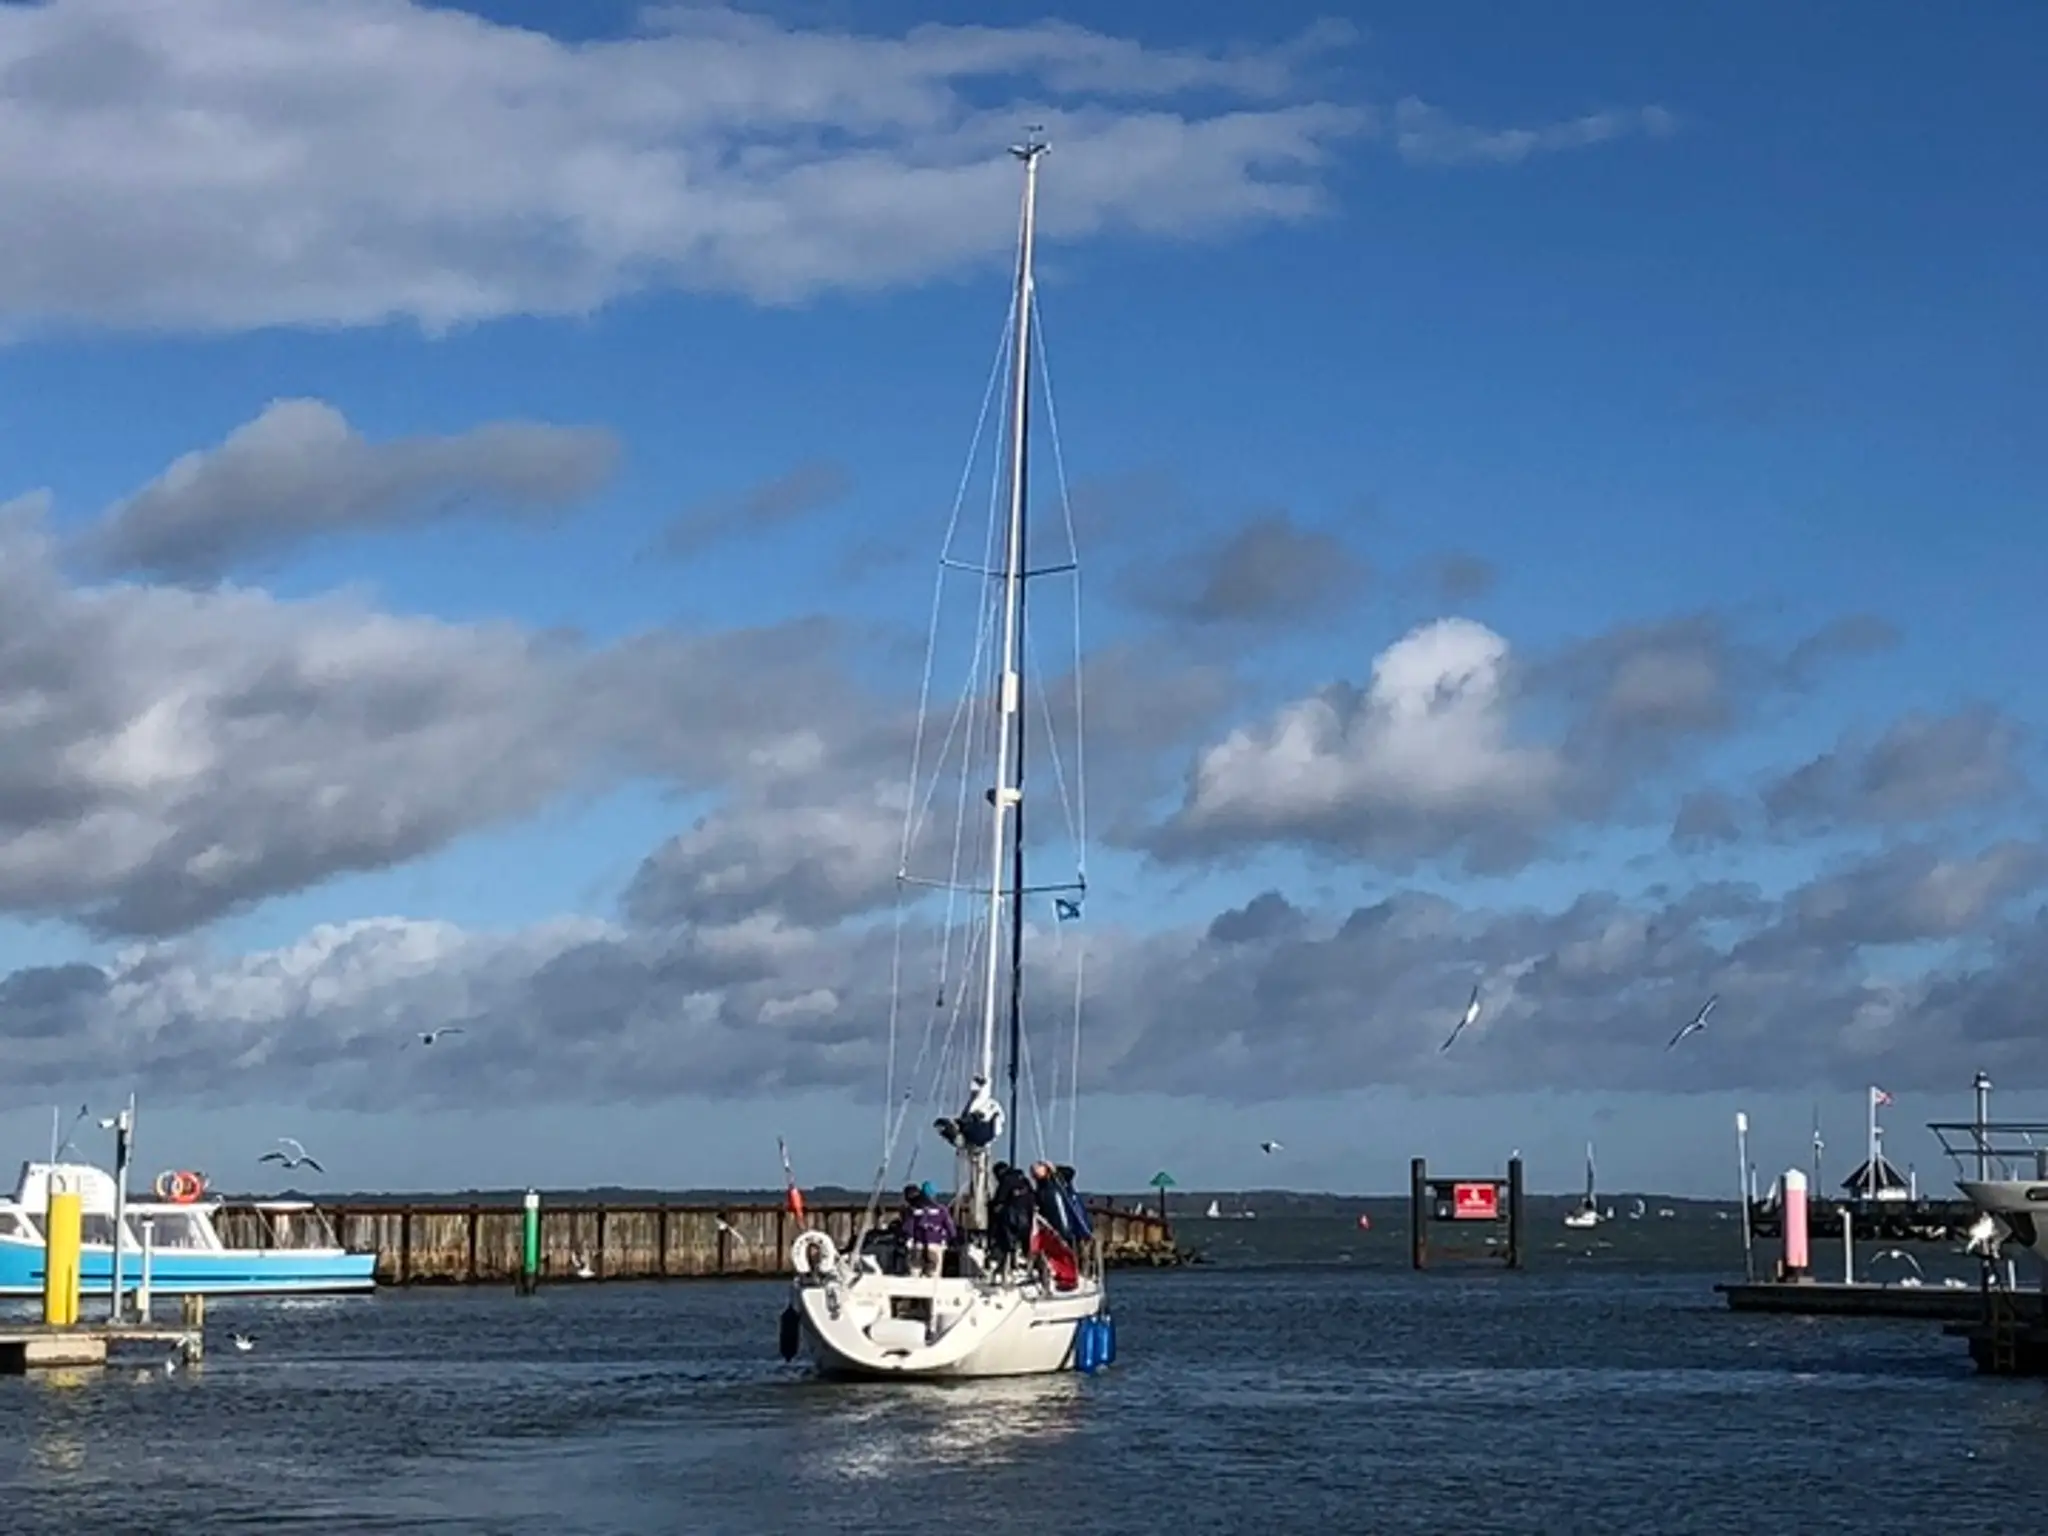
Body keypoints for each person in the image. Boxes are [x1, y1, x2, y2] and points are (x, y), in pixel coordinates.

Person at [990, 1161, 1036, 1274]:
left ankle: (1006, 1269)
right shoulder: (1025, 1181)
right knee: (1027, 1245)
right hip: (1028, 1218)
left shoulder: (1006, 1181)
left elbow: (999, 1200)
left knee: (1007, 1246)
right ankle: (1031, 1269)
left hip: (1012, 1218)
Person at [903, 1186, 956, 1278]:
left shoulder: (914, 1210)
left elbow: (908, 1227)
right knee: (933, 1274)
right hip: (935, 1245)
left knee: (915, 1272)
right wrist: (951, 1238)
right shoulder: (941, 1210)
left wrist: (909, 1238)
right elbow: (950, 1227)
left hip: (918, 1244)